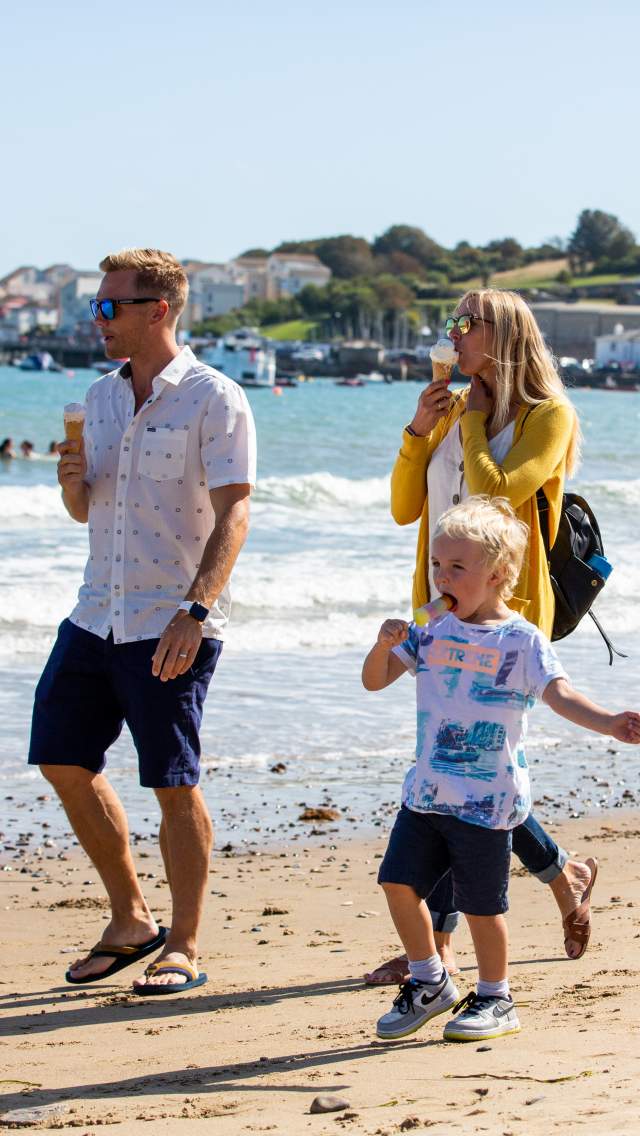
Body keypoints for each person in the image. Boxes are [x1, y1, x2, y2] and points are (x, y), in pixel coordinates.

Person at [28, 248, 256, 994]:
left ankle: (183, 943)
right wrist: (70, 486)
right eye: (96, 306)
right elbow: (85, 509)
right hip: (96, 613)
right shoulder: (97, 398)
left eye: (108, 307)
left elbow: (235, 512)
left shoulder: (214, 398)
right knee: (62, 757)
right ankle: (130, 918)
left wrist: (196, 610)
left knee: (171, 781)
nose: (96, 320)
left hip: (171, 621)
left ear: (156, 310)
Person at [366, 288, 597, 987]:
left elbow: (496, 494)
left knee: (469, 772)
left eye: (468, 325)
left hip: (503, 617)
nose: (454, 335)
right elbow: (407, 508)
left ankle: (435, 948)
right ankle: (564, 879)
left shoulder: (549, 416)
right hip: (440, 609)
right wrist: (418, 431)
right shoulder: (450, 411)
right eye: (453, 323)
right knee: (461, 770)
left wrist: (468, 423)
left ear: (505, 337)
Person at [363, 496, 640, 1043]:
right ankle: (430, 982)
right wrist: (382, 645)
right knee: (397, 884)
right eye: (437, 566)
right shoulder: (430, 628)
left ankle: (495, 996)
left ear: (499, 575)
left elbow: (560, 695)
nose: (442, 576)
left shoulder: (522, 640)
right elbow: (374, 681)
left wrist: (609, 721)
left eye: (457, 568)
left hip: (487, 801)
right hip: (426, 793)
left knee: (482, 908)